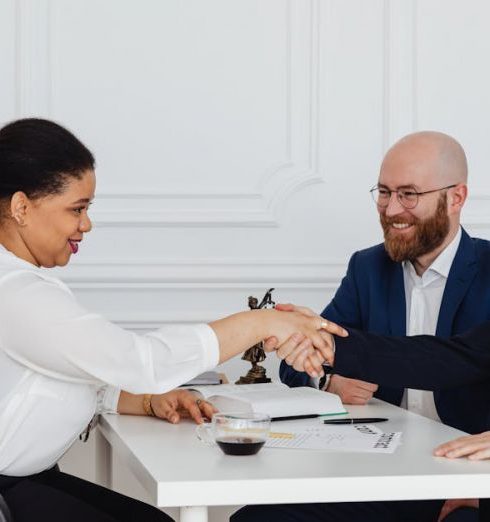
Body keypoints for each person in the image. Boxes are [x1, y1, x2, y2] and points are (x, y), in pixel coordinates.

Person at [0, 118, 344, 522]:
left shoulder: (22, 284)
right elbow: (142, 362)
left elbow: (49, 381)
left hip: (30, 481)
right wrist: (260, 322)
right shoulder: (17, 293)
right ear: (22, 207)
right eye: (77, 208)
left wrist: (146, 400)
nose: (86, 224)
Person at [235, 131, 490, 522]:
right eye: (384, 192)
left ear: (455, 198)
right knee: (257, 519)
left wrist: (330, 344)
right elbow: (296, 364)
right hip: (380, 473)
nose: (390, 210)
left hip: (466, 480)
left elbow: (445, 359)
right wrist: (326, 379)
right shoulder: (368, 268)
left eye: (409, 194)